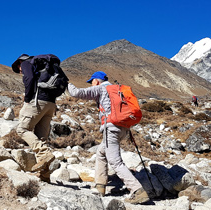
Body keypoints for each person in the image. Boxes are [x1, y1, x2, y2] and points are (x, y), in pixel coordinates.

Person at [67, 71, 150, 204]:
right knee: (101, 153)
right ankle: (100, 186)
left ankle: (137, 190)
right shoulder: (116, 90)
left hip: (111, 128)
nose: (91, 84)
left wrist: (67, 84)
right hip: (123, 128)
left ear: (97, 80)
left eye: (92, 81)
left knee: (115, 161)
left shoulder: (101, 88)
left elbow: (76, 93)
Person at [11, 54, 56, 172]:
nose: (20, 71)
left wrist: (26, 100)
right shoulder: (46, 67)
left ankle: (44, 152)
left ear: (20, 62)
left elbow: (30, 78)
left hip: (38, 101)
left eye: (18, 67)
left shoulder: (26, 63)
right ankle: (44, 174)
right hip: (51, 104)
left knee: (22, 129)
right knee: (42, 138)